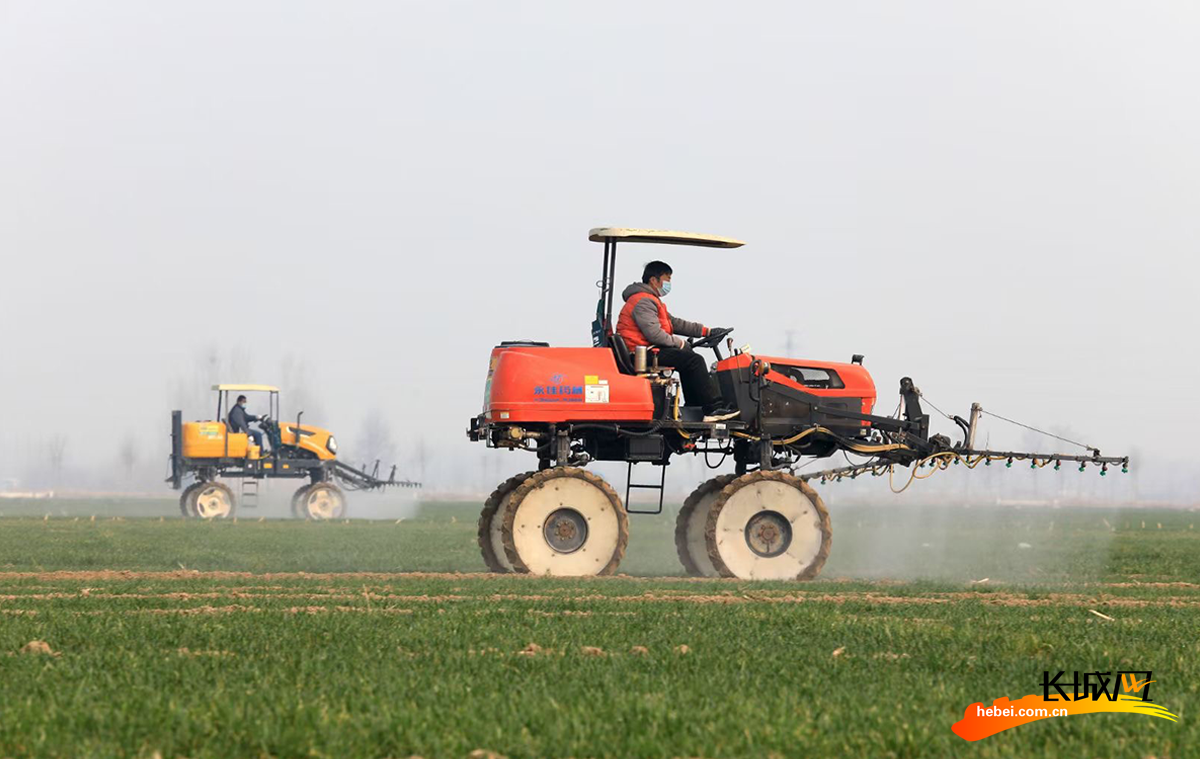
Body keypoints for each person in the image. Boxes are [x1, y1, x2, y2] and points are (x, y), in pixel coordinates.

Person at [616, 261, 739, 422]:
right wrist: (679, 343)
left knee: (688, 358)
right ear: (654, 280)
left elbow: (673, 323)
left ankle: (694, 408)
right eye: (667, 280)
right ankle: (712, 408)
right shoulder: (643, 301)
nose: (669, 284)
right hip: (641, 354)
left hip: (648, 350)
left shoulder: (651, 300)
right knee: (694, 360)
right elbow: (654, 334)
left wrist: (706, 331)